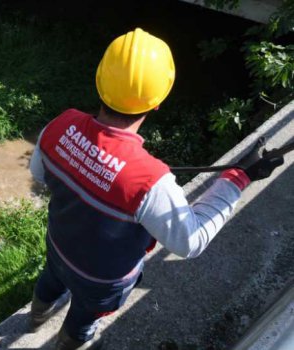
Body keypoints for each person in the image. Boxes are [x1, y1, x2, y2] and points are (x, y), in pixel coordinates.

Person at [28, 28, 284, 350]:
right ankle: (68, 343)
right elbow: (191, 241)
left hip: (58, 248)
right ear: (158, 101)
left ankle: (35, 318)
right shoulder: (150, 182)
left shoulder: (60, 125)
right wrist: (237, 180)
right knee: (83, 317)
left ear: (100, 82)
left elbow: (40, 175)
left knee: (50, 282)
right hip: (102, 282)